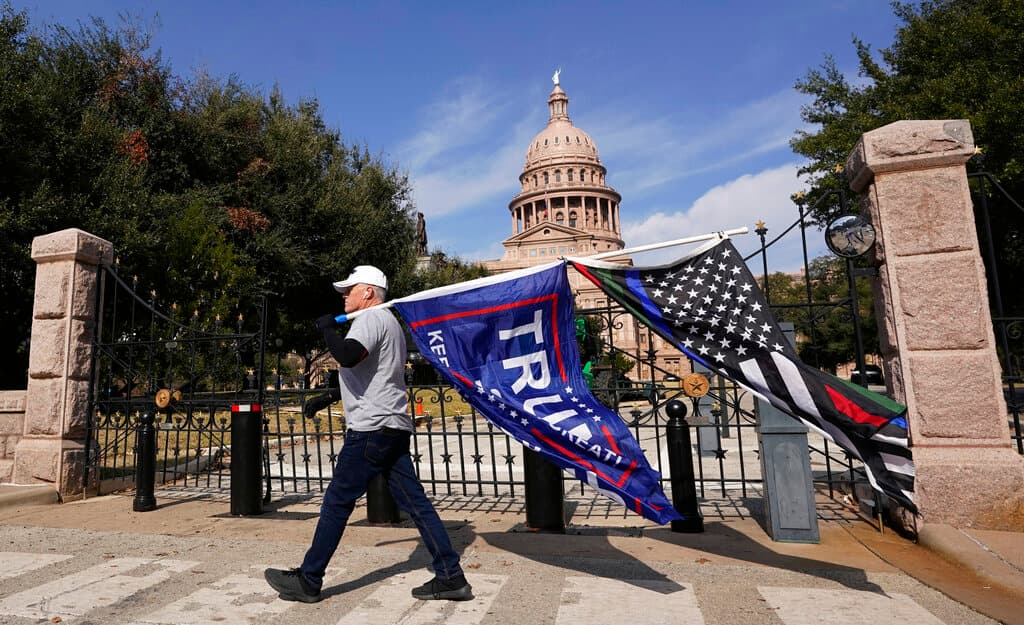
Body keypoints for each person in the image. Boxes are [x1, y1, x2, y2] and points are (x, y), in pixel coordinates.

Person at [264, 265, 472, 603]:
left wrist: (328, 330)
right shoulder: (387, 322)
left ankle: (309, 579)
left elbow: (348, 356)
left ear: (369, 293)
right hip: (390, 427)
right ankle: (451, 576)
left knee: (336, 502)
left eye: (350, 290)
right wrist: (328, 397)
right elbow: (373, 375)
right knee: (416, 504)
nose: (344, 295)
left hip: (371, 429)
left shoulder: (371, 319)